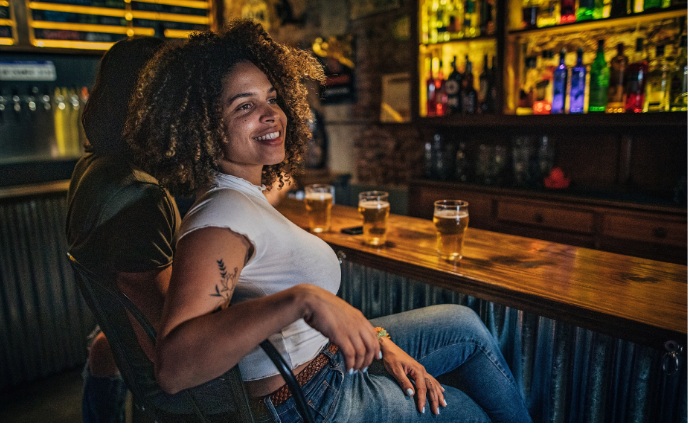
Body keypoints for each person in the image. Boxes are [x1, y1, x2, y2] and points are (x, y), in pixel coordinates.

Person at [125, 21, 533, 422]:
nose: (272, 115)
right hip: (314, 402)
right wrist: (301, 299)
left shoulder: (241, 196)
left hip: (326, 368)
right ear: (203, 127)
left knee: (464, 326)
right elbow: (175, 368)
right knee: (474, 413)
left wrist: (378, 341)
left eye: (272, 98)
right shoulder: (220, 219)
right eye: (245, 106)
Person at [65, 36, 173, 423]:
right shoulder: (142, 197)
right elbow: (167, 342)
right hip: (168, 382)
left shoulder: (92, 169)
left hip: (117, 350)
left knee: (101, 344)